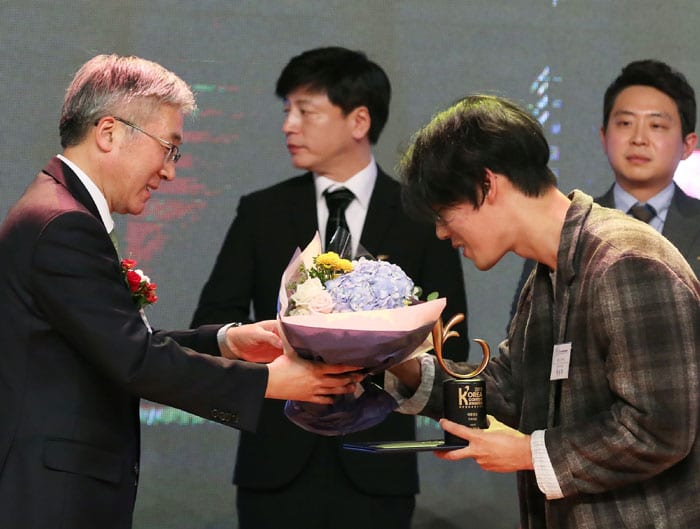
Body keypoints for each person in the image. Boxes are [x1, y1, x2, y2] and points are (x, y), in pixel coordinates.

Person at [0, 54, 361, 529]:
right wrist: (272, 382)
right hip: (52, 499)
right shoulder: (64, 223)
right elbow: (135, 360)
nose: (169, 171)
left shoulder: (56, 211)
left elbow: (113, 343)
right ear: (108, 132)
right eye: (168, 148)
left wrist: (226, 343)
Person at [388, 94, 700, 528]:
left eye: (444, 213)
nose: (442, 233)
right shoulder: (546, 274)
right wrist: (399, 363)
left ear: (487, 184)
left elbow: (658, 429)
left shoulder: (625, 260)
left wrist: (526, 452)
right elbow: (508, 395)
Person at [191, 46, 469, 529]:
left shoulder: (418, 217)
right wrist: (278, 350)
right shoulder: (262, 212)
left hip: (380, 463)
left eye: (306, 111)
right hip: (276, 466)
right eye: (287, 112)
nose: (289, 126)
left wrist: (384, 360)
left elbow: (453, 339)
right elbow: (211, 322)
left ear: (359, 121)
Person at [511, 59, 700, 317]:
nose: (638, 139)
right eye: (625, 123)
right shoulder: (564, 228)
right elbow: (527, 336)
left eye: (656, 126)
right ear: (603, 135)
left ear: (688, 145)